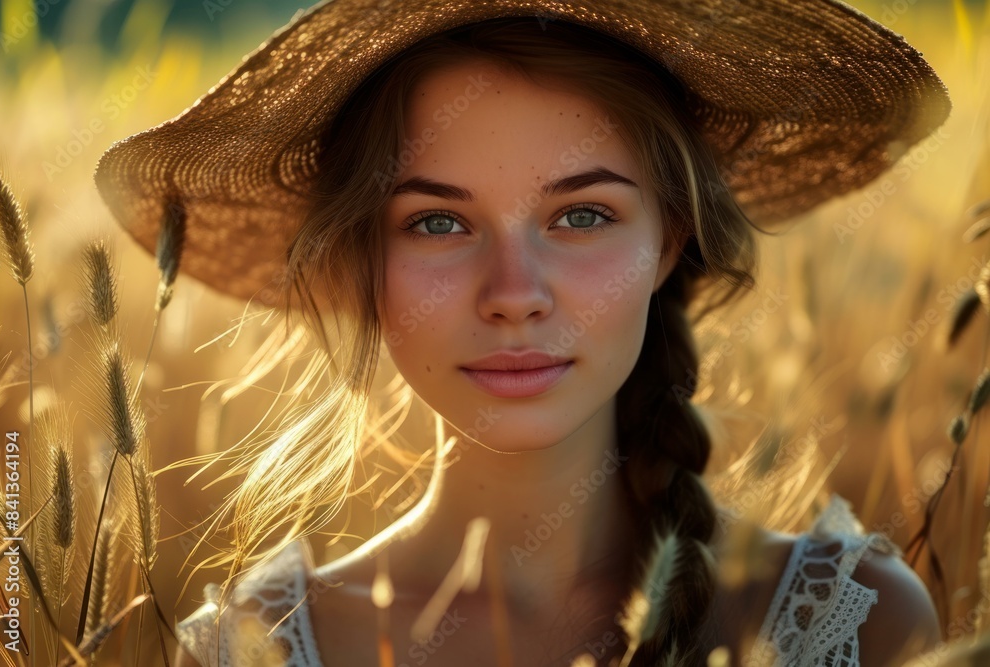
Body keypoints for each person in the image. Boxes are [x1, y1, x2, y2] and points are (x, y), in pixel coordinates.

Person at [94, 1, 952, 665]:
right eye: (437, 223)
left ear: (670, 241)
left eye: (581, 214)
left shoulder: (853, 623)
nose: (513, 294)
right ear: (363, 259)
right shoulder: (254, 647)